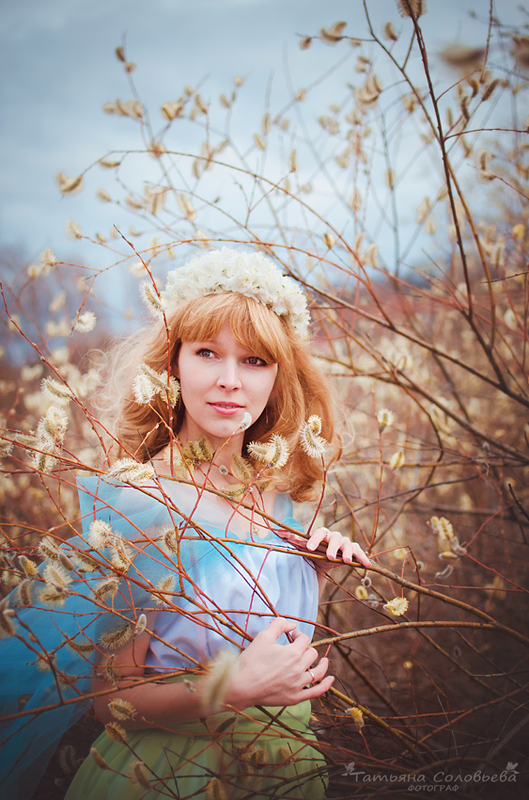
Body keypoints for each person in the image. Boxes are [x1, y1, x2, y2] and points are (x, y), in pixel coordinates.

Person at [0, 248, 371, 800]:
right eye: (207, 353)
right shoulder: (143, 503)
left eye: (255, 360)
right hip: (172, 777)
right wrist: (229, 689)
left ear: (278, 376)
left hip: (286, 771)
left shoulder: (272, 491)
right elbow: (109, 699)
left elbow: (268, 635)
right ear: (173, 364)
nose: (230, 380)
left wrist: (312, 569)